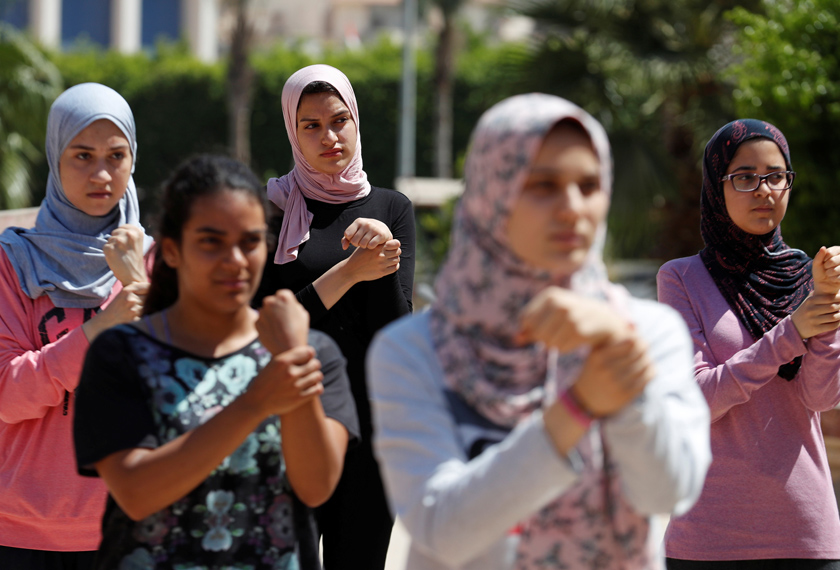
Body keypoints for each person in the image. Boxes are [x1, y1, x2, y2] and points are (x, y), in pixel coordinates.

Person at [367, 93, 711, 570]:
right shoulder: (415, 351)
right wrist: (577, 407)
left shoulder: (647, 333)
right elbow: (440, 528)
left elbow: (669, 491)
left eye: (589, 185)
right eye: (542, 185)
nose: (572, 208)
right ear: (492, 193)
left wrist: (622, 366)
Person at [73, 154, 359, 569]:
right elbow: (136, 493)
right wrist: (254, 404)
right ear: (171, 250)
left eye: (250, 241)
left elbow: (315, 487)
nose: (236, 262)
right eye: (211, 241)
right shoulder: (121, 354)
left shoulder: (309, 352)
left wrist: (292, 359)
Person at [657, 119, 840, 569]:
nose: (764, 190)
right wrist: (790, 333)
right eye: (744, 177)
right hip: (707, 538)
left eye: (776, 176)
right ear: (717, 186)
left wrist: (829, 303)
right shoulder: (680, 278)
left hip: (805, 532)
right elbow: (698, 398)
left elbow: (821, 396)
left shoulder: (809, 275)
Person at [254, 63, 415, 568]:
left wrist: (383, 257)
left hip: (372, 429)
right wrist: (350, 272)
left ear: (356, 122)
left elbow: (394, 333)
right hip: (289, 422)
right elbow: (266, 329)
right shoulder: (270, 211)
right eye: (312, 125)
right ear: (292, 131)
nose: (330, 136)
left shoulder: (391, 208)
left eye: (339, 120)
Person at [0, 82, 152, 568]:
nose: (102, 173)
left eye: (116, 155)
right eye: (82, 155)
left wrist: (137, 282)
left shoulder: (159, 262)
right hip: (22, 530)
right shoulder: (12, 262)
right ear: (55, 156)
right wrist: (99, 328)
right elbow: (7, 393)